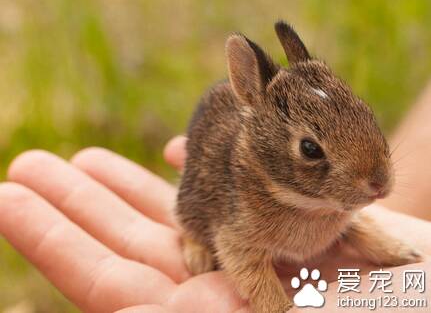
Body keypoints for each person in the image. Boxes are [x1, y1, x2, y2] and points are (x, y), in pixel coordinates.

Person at [1, 85, 431, 313]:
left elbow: (350, 216)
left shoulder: (333, 195)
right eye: (312, 152)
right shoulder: (255, 198)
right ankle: (191, 237)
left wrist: (398, 257)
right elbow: (240, 246)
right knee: (197, 220)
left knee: (342, 219)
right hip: (220, 212)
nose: (379, 182)